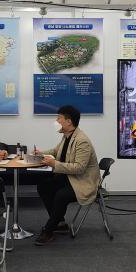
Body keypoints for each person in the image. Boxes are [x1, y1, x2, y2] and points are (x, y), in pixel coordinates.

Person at [33, 105, 100, 246]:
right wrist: (40, 153)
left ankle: (49, 230)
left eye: (59, 118)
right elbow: (56, 151)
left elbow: (79, 168)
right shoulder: (67, 136)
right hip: (70, 178)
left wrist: (54, 164)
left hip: (83, 182)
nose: (56, 121)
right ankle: (60, 223)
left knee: (61, 195)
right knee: (44, 187)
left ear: (69, 122)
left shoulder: (82, 140)